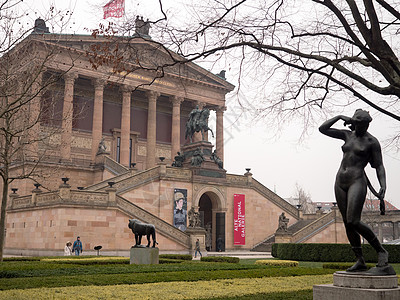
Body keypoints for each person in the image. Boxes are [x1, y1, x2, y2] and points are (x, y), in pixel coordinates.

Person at [319, 109, 388, 272]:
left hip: (357, 181)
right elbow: (323, 129)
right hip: (340, 181)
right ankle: (360, 260)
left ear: (367, 125)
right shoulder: (347, 135)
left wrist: (383, 185)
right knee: (347, 223)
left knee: (353, 220)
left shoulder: (372, 142)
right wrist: (339, 117)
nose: (359, 127)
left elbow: (379, 166)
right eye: (356, 123)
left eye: (362, 125)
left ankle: (381, 250)